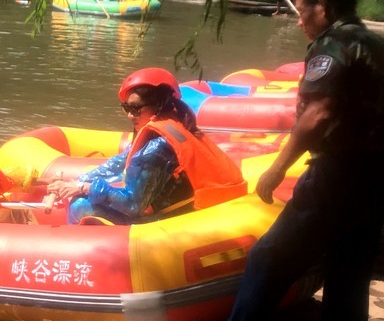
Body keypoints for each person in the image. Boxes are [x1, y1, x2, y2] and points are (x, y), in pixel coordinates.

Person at [174, 0, 384, 321]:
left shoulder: (333, 45)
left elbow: (318, 113)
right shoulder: (380, 46)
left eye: (303, 12)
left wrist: (278, 167)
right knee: (349, 268)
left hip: (341, 174)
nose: (300, 22)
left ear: (324, 7)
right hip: (383, 172)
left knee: (270, 256)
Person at [47, 68, 246, 224]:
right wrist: (78, 181)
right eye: (126, 107)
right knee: (108, 180)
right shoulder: (173, 121)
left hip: (175, 216)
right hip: (172, 198)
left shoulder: (157, 147)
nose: (129, 115)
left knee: (79, 206)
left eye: (135, 108)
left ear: (158, 105)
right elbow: (121, 162)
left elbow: (133, 205)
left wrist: (83, 188)